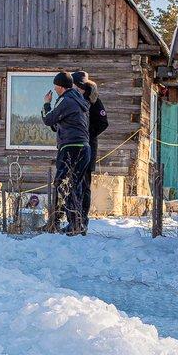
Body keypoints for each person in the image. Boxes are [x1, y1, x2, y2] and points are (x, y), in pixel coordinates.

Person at [41, 71, 90, 235]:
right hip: (84, 147)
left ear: (60, 86)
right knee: (76, 185)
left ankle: (73, 223)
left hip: (71, 147)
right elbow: (60, 124)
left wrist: (46, 104)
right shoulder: (78, 99)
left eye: (55, 86)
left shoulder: (66, 100)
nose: (54, 89)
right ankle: (78, 223)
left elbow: (48, 119)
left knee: (63, 184)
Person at [72, 70, 107, 234]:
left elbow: (103, 122)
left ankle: (82, 220)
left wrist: (87, 133)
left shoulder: (94, 101)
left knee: (84, 185)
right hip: (73, 147)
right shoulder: (71, 99)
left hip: (88, 147)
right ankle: (71, 218)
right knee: (71, 183)